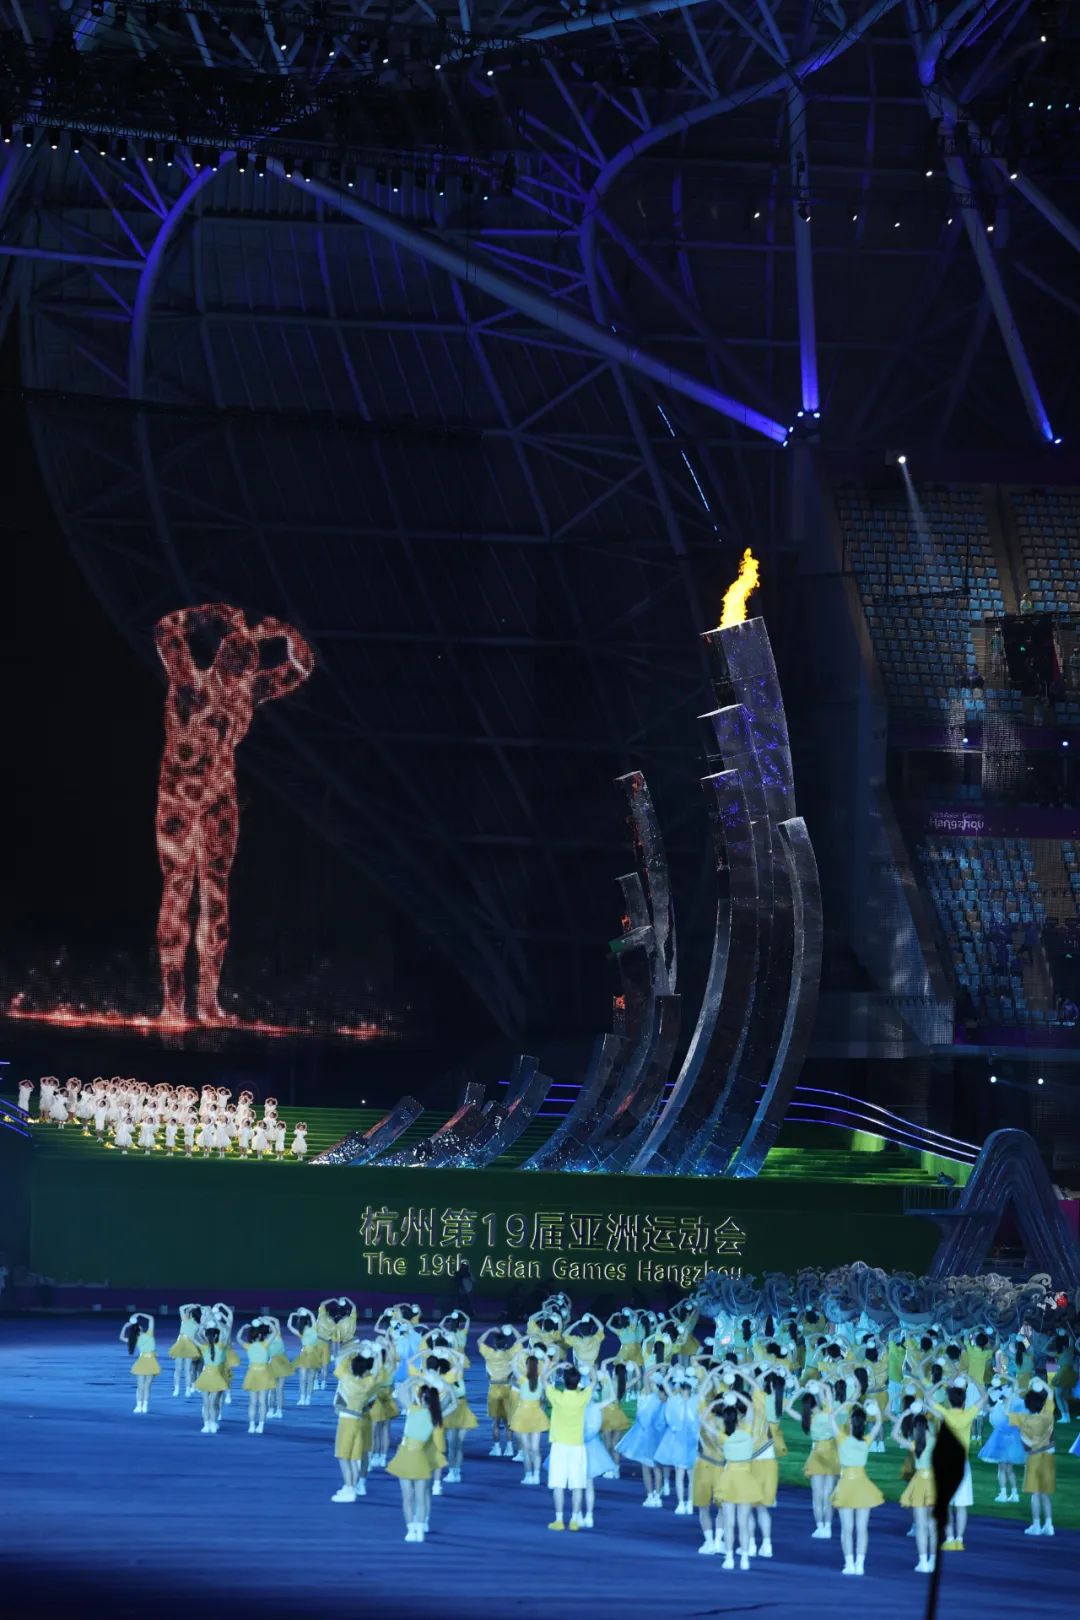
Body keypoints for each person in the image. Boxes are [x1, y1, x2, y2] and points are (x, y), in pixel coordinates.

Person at [152, 603, 314, 1025]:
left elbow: (301, 668)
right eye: (235, 659)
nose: (240, 668)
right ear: (221, 657)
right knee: (178, 891)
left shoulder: (246, 694)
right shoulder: (189, 682)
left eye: (246, 663)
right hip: (180, 797)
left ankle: (207, 1002)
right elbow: (166, 630)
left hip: (219, 797)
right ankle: (173, 1004)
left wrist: (284, 633)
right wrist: (211, 613)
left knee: (216, 896)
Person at [387, 1377, 454, 1543]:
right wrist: (448, 1387)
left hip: (405, 1455)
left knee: (407, 1497)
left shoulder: (413, 1409)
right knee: (421, 1497)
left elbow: (401, 1391)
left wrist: (415, 1379)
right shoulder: (436, 1416)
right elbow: (453, 1404)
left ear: (422, 1399)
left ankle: (411, 1530)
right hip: (421, 1457)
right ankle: (420, 1528)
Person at [928, 1372, 986, 1550]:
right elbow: (984, 1396)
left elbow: (927, 1397)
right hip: (962, 1465)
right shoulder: (968, 1415)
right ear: (964, 1400)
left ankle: (949, 1538)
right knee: (961, 1506)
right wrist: (973, 1380)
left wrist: (942, 1382)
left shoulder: (945, 1414)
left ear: (949, 1399)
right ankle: (959, 1540)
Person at [828, 1400, 884, 1576]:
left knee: (847, 1528)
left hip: (846, 1485)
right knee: (862, 1528)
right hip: (862, 1485)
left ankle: (849, 1563)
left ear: (851, 1423)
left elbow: (831, 1417)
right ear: (864, 1424)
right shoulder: (866, 1440)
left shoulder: (842, 1439)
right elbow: (879, 1422)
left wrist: (847, 1403)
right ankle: (860, 1565)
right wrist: (874, 1408)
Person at [545, 1362, 593, 1532]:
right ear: (578, 1381)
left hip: (559, 1446)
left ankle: (559, 1520)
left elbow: (544, 1379)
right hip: (577, 1446)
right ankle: (574, 1519)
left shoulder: (557, 1397)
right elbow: (594, 1381)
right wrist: (589, 1369)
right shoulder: (583, 1397)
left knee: (558, 1485)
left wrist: (556, 1366)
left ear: (564, 1381)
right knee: (577, 1485)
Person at [893, 1403, 937, 1573]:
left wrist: (903, 1415)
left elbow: (894, 1434)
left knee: (921, 1525)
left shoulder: (915, 1444)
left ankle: (923, 1561)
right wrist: (928, 1408)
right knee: (932, 1525)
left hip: (919, 1483)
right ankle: (933, 1560)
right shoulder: (934, 1441)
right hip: (933, 1483)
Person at [1010, 1379, 1057, 1536]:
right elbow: (1051, 1392)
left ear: (1027, 1405)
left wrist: (1013, 1395)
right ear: (1042, 1403)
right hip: (1048, 1458)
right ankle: (1049, 1525)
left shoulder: (1023, 1419)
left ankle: (1036, 1525)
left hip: (1033, 1459)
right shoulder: (1048, 1415)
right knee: (1045, 1493)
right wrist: (1040, 1381)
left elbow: (1006, 1411)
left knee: (1035, 1494)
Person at [508, 1348, 551, 1485]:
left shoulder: (522, 1379)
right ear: (537, 1366)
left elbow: (513, 1365)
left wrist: (520, 1353)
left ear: (526, 1366)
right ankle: (536, 1476)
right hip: (537, 1414)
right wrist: (541, 1354)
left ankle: (528, 1476)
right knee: (535, 1449)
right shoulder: (541, 1378)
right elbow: (548, 1363)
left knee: (526, 1450)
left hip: (523, 1415)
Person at [477, 1324, 520, 1456]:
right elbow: (520, 1340)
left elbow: (479, 1341)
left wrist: (490, 1330)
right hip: (508, 1388)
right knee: (508, 1421)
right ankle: (509, 1447)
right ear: (506, 1344)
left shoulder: (489, 1353)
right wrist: (512, 1328)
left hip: (494, 1389)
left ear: (495, 1344)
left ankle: (497, 1448)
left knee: (495, 1421)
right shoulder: (510, 1353)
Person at [194, 1323, 229, 1434]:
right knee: (213, 1403)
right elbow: (225, 1333)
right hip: (216, 1377)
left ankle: (206, 1425)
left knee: (206, 1403)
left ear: (206, 1336)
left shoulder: (204, 1347)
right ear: (216, 1336)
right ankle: (213, 1424)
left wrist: (202, 1326)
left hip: (205, 1377)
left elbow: (194, 1336)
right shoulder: (221, 1346)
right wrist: (218, 1323)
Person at [122, 1313, 160, 1415]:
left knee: (140, 1387)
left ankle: (139, 1406)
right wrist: (139, 1314)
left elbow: (121, 1337)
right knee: (147, 1386)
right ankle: (144, 1406)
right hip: (151, 1362)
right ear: (140, 1328)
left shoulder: (134, 1339)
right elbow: (151, 1318)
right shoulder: (149, 1334)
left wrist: (125, 1326)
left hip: (142, 1362)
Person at [168, 1304, 204, 1398]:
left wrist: (192, 1305)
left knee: (179, 1369)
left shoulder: (186, 1320)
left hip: (183, 1345)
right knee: (187, 1370)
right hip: (188, 1346)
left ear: (192, 1314)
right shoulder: (197, 1324)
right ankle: (186, 1389)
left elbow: (181, 1308)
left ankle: (178, 1389)